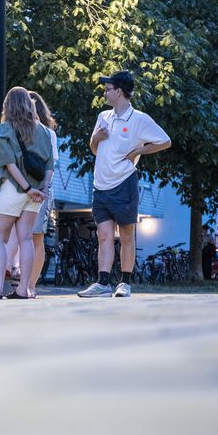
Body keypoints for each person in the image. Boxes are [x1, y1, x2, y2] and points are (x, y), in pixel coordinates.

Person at [78, 71, 171, 298]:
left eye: (108, 89)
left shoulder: (140, 119)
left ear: (119, 91)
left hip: (124, 184)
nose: (104, 92)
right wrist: (95, 139)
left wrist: (140, 150)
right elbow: (95, 149)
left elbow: (165, 141)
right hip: (100, 186)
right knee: (103, 235)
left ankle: (125, 283)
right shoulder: (103, 117)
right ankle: (102, 284)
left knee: (127, 235)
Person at [0, 86, 54, 299]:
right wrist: (41, 189)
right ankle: (24, 289)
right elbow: (50, 164)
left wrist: (26, 188)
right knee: (26, 239)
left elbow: (8, 163)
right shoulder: (43, 131)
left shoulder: (5, 128)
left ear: (8, 104)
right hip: (35, 194)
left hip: (13, 189)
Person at [27, 91, 59, 296]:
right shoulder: (15, 130)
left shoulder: (48, 133)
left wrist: (44, 188)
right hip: (27, 189)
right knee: (25, 238)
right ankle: (24, 284)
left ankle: (30, 285)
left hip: (39, 189)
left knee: (35, 237)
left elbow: (51, 164)